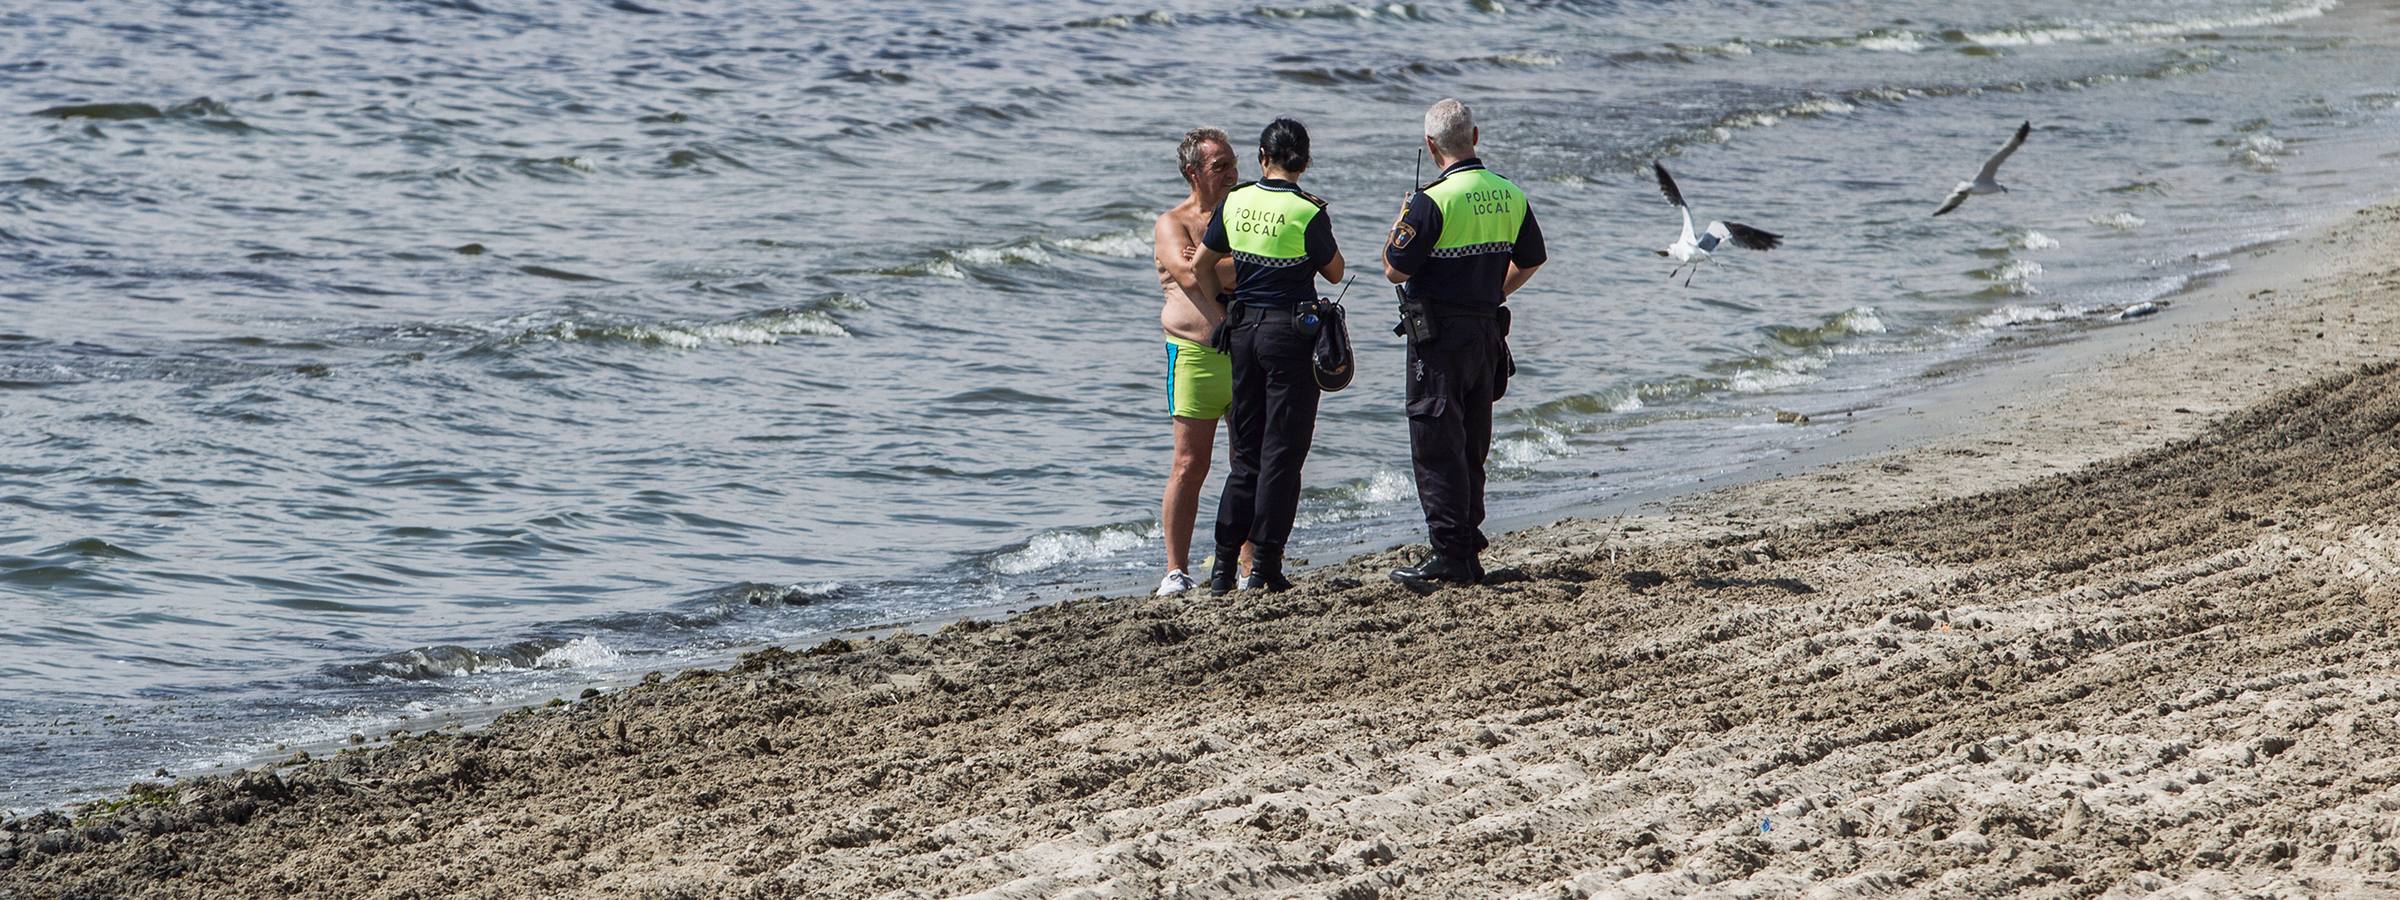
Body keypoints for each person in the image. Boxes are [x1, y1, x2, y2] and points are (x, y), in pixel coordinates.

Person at [1382, 98, 1545, 586]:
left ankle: (1451, 552)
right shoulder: (1509, 193)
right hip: (1486, 330)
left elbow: (1394, 267)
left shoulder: (1431, 201)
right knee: (1473, 438)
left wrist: (1400, 221)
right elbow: (1533, 258)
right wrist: (1492, 292)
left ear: (1431, 147)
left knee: (1435, 439)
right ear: (1475, 137)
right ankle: (1467, 546)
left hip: (1438, 337)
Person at [1193, 118, 1344, 593]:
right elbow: (1335, 273)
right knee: (1283, 452)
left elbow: (1201, 266)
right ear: (1304, 161)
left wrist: (1223, 309)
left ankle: (1221, 568)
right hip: (1289, 334)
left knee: (1246, 454)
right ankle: (1264, 568)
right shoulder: (1308, 210)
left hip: (1243, 330)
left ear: (1263, 157)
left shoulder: (1235, 202)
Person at [1150, 127, 1248, 597]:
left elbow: (1263, 262)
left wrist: (1211, 262)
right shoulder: (1173, 222)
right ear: (1193, 172)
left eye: (1232, 163)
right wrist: (1231, 263)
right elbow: (1191, 275)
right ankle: (1175, 569)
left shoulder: (1247, 210)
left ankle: (1247, 565)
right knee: (1190, 464)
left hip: (1247, 350)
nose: (1232, 173)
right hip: (1193, 356)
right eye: (1219, 167)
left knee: (1247, 462)